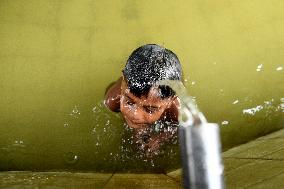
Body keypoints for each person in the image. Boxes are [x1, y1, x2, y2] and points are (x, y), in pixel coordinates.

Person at [104, 44, 183, 157]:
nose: (134, 114)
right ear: (122, 83)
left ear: (170, 101)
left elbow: (180, 128)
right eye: (129, 102)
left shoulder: (177, 110)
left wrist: (160, 138)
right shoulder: (112, 100)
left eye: (150, 109)